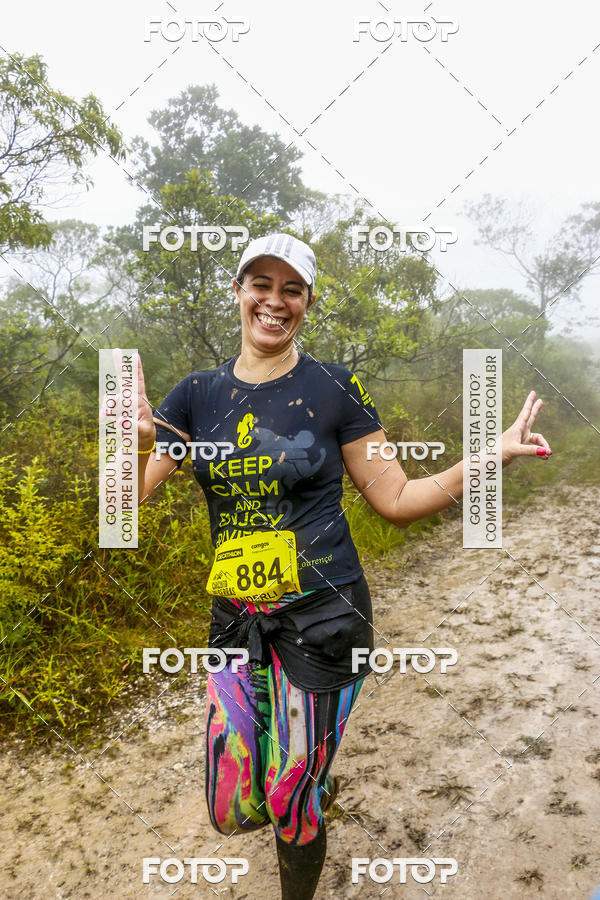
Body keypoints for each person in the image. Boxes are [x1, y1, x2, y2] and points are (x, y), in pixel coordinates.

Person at [134, 232, 551, 898]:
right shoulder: (196, 396)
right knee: (232, 806)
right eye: (260, 285)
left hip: (324, 622)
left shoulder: (332, 388)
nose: (274, 301)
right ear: (239, 293)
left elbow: (398, 498)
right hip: (236, 623)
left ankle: (302, 834)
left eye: (290, 289)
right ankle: (313, 770)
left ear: (308, 301)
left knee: (291, 804)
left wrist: (489, 457)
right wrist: (133, 437)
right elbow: (122, 505)